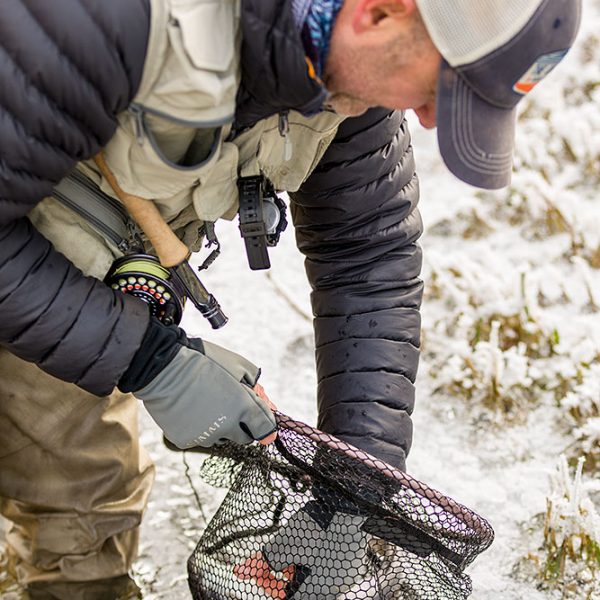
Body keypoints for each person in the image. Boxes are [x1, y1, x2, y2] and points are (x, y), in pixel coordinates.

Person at [0, 0, 580, 597]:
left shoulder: (352, 80)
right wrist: (148, 361)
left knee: (81, 515)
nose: (429, 120)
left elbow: (368, 257)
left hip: (66, 272)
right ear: (381, 14)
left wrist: (348, 497)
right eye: (440, 89)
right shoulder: (109, 21)